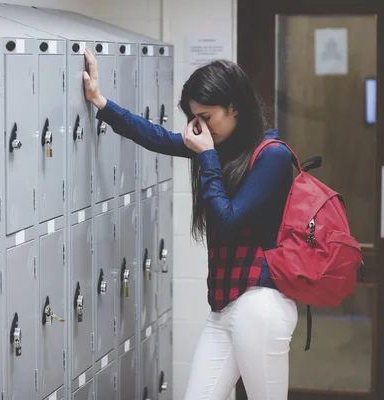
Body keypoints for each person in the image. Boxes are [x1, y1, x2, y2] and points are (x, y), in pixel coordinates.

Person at [83, 47, 298, 399]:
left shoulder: (271, 156)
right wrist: (100, 102)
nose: (200, 127)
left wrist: (207, 155)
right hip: (224, 307)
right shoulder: (221, 147)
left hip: (261, 304)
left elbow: (227, 221)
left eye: (206, 116)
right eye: (194, 117)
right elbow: (156, 137)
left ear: (234, 108)